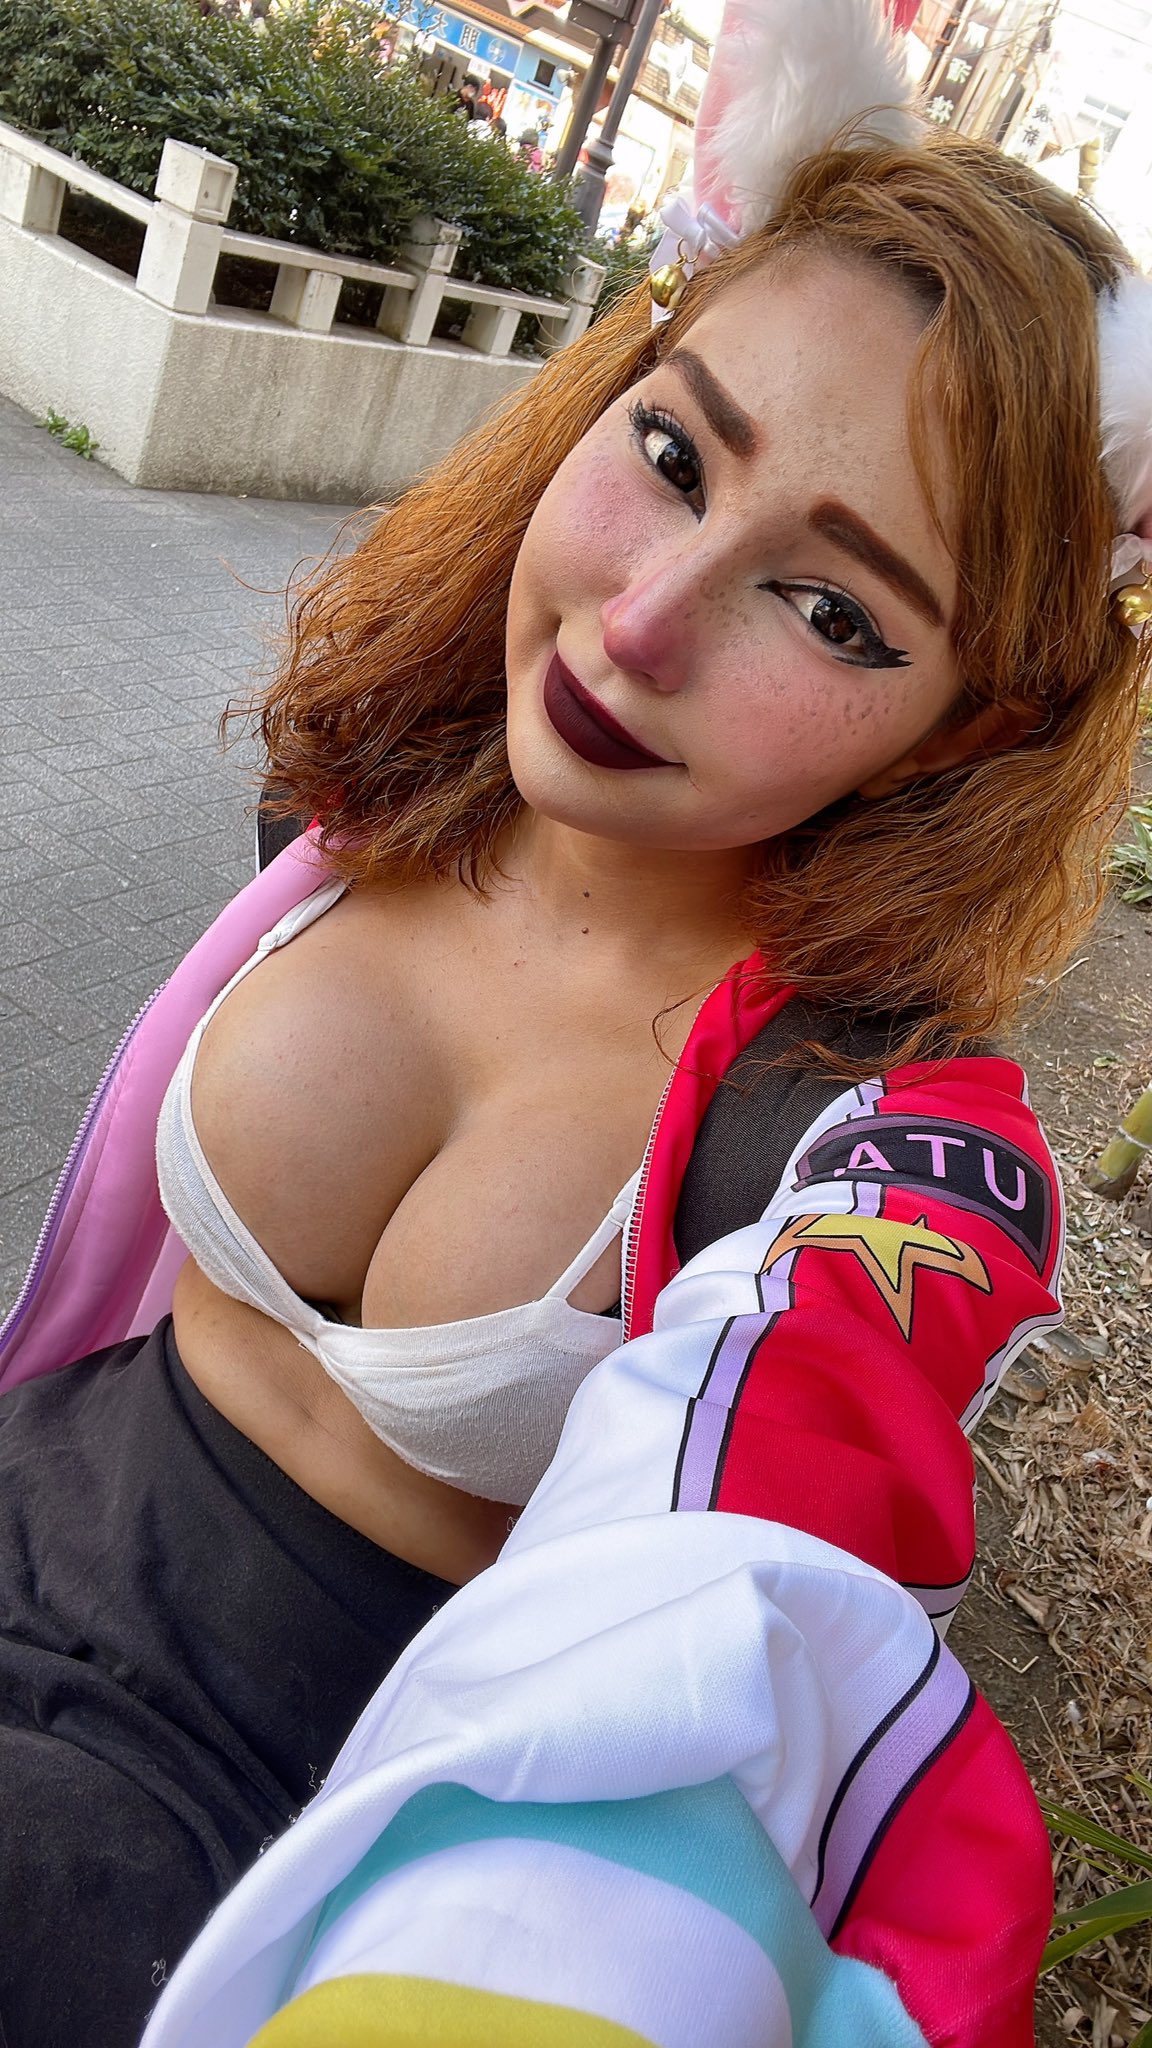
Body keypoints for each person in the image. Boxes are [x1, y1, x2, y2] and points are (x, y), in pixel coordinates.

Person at [2, 1, 1151, 2043]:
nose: (640, 619)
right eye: (675, 454)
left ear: (970, 724)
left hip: (252, 1880)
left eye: (835, 610)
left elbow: (804, 1550)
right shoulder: (387, 800)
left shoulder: (851, 1139)